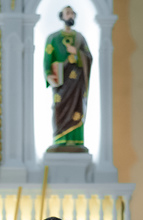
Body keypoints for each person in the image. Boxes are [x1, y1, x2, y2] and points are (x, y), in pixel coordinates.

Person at [43, 6, 92, 151]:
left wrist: (77, 53)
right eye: (67, 13)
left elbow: (89, 58)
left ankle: (76, 141)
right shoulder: (53, 38)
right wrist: (49, 74)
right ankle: (59, 139)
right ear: (62, 16)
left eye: (72, 13)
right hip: (62, 83)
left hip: (77, 82)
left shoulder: (79, 38)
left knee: (77, 109)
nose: (70, 16)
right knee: (59, 108)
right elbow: (47, 59)